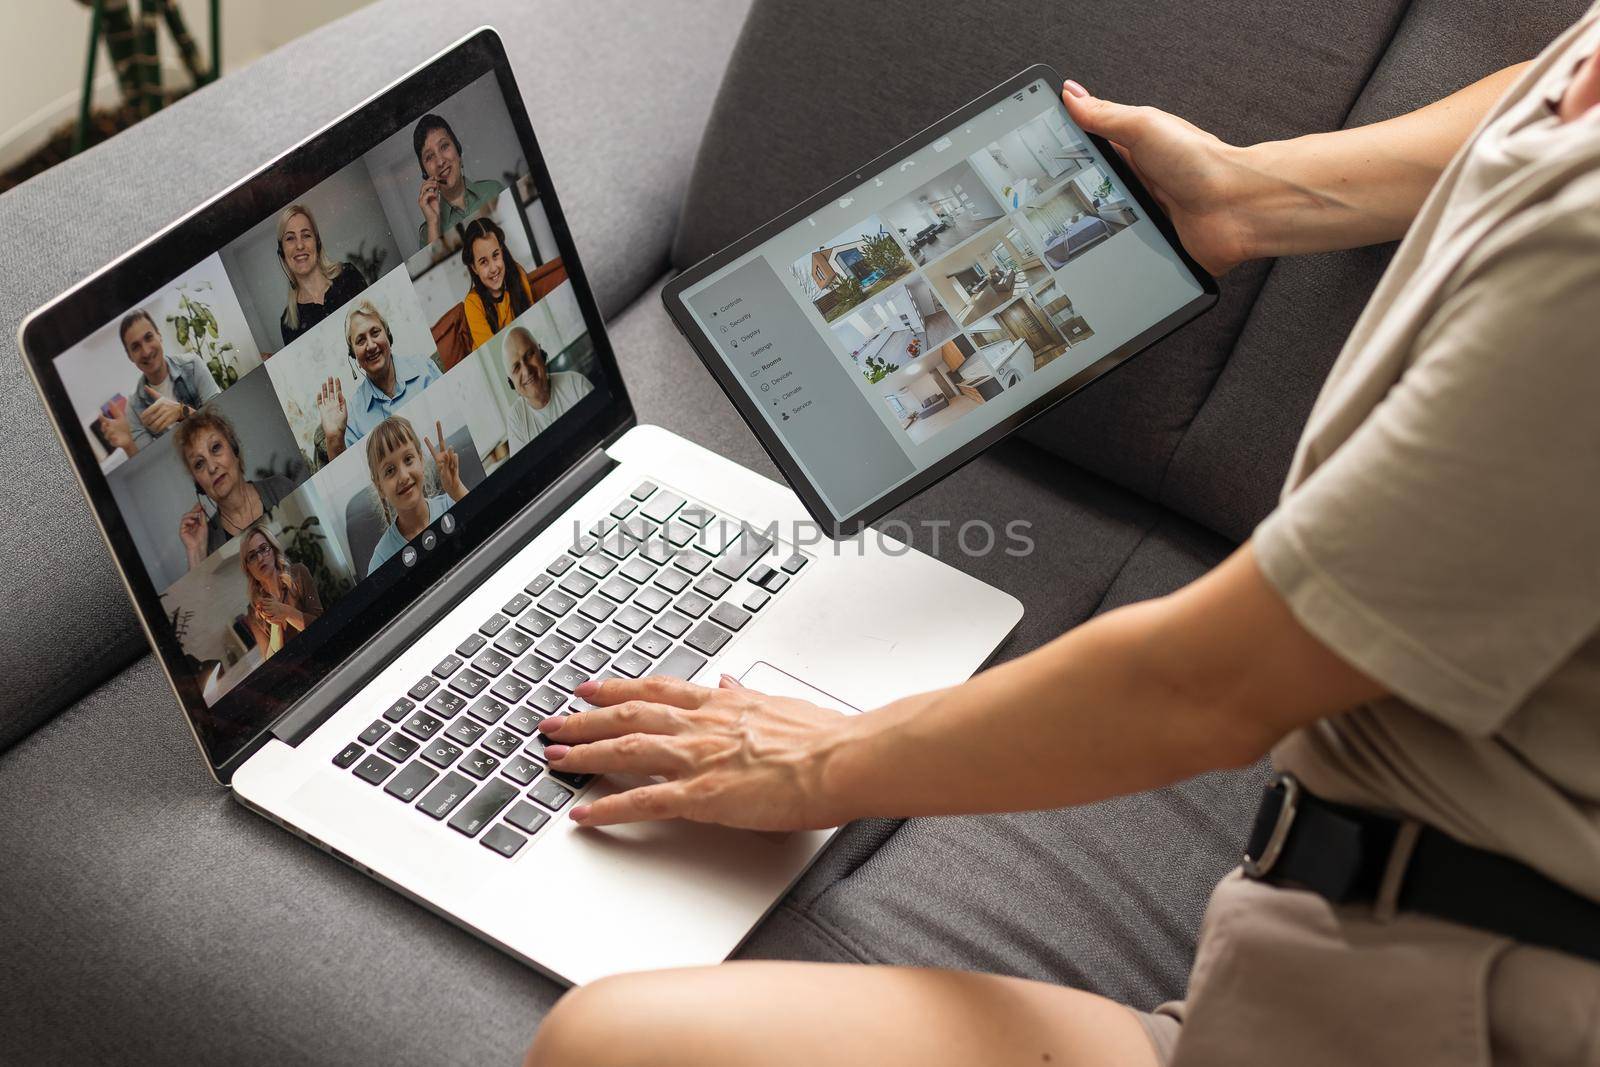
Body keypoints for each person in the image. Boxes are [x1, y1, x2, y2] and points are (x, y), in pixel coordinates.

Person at [526, 14, 1600, 1067]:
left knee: (605, 1044)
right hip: (1318, 937)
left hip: (1422, 1004)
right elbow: (1540, 95)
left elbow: (1210, 683)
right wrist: (1244, 193)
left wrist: (819, 762)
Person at [174, 408, 298, 572]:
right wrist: (196, 552)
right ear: (198, 483)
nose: (211, 467)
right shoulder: (208, 541)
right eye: (199, 464)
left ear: (234, 448)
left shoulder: (280, 488)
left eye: (215, 448)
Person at [316, 299, 440, 461]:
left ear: (388, 336)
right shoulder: (353, 416)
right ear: (354, 356)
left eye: (375, 333)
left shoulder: (424, 368)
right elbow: (351, 473)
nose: (371, 345)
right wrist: (334, 439)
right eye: (361, 340)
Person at [96, 309, 220, 457]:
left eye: (148, 338)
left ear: (159, 335)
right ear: (130, 356)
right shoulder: (134, 407)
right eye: (136, 347)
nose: (146, 351)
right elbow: (152, 463)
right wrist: (129, 445)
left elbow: (220, 422)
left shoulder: (192, 366)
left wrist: (182, 411)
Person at [363, 415, 467, 575]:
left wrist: (457, 489)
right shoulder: (382, 559)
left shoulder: (453, 503)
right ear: (380, 487)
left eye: (408, 459)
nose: (403, 476)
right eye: (390, 471)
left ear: (421, 459)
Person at [275, 203, 367, 347]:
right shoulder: (289, 323)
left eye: (306, 235)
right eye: (290, 238)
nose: (300, 246)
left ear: (317, 243)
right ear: (282, 252)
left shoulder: (348, 276)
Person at [413, 113, 504, 246]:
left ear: (458, 151)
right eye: (429, 156)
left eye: (444, 146)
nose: (440, 161)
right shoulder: (428, 233)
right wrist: (433, 224)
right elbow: (438, 267)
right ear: (425, 174)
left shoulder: (494, 190)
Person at [237, 522, 322, 660]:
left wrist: (285, 611)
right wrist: (275, 624)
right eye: (252, 556)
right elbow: (270, 661)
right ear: (248, 568)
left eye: (264, 549)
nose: (260, 558)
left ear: (274, 550)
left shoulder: (298, 573)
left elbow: (321, 627)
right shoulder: (254, 609)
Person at [501, 326, 592, 452]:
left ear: (541, 354)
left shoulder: (576, 384)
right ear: (511, 382)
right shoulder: (516, 420)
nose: (526, 371)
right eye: (516, 367)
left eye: (529, 355)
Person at [460, 217, 534, 351]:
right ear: (474, 268)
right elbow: (493, 352)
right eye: (483, 262)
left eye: (495, 255)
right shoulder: (473, 303)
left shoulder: (518, 274)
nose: (493, 268)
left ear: (501, 250)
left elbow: (532, 322)